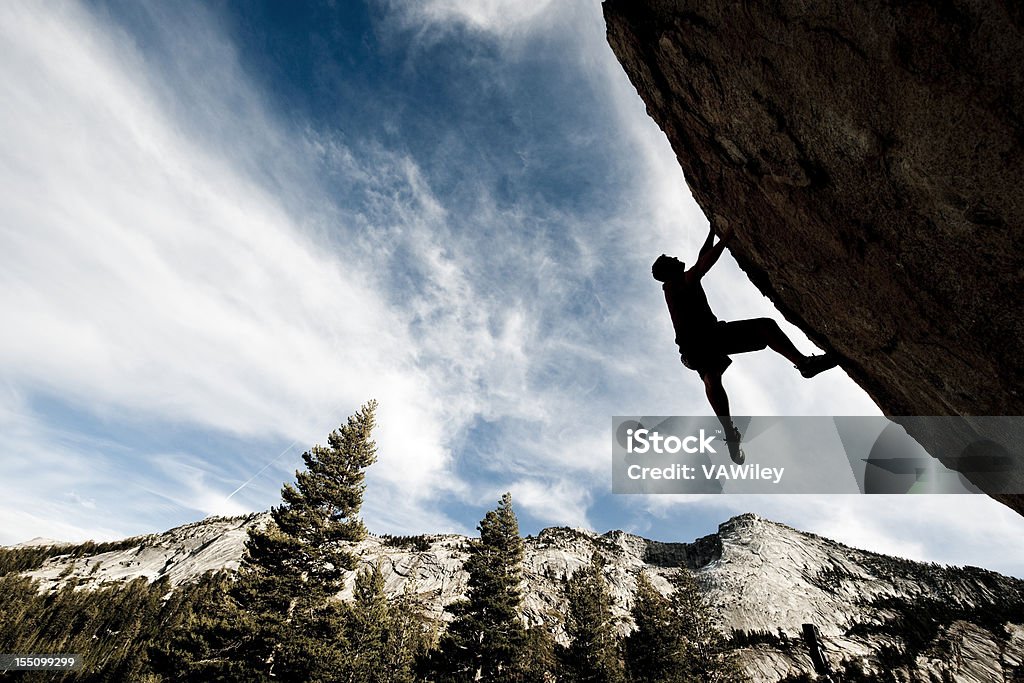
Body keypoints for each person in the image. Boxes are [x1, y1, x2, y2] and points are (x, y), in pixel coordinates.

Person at [653, 225, 838, 462]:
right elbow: (702, 265)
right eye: (672, 259)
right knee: (764, 328)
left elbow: (700, 260)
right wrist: (727, 237)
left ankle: (729, 432)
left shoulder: (678, 284)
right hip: (706, 338)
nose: (677, 258)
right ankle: (803, 363)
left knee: (712, 378)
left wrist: (712, 232)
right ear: (668, 271)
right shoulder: (676, 284)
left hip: (696, 345)